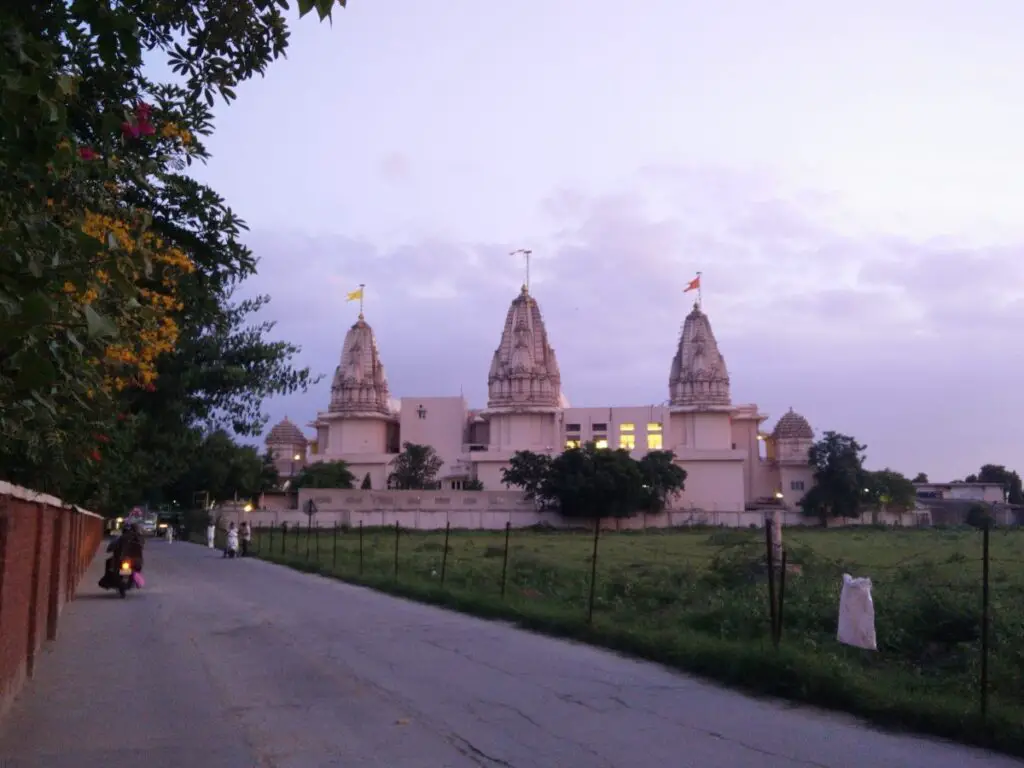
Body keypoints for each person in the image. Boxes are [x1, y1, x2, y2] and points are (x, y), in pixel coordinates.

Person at [100, 523, 145, 588]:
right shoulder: (138, 538)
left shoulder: (123, 538)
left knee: (110, 563)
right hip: (128, 560)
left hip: (125, 559)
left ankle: (108, 580)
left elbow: (110, 547)